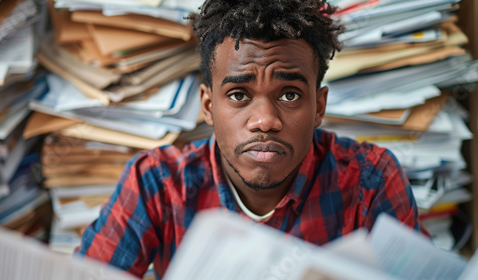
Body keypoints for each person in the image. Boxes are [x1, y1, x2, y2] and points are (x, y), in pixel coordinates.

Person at [75, 0, 428, 278]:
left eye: (289, 94)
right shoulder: (157, 185)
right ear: (208, 106)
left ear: (319, 107)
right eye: (239, 95)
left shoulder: (369, 181)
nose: (265, 121)